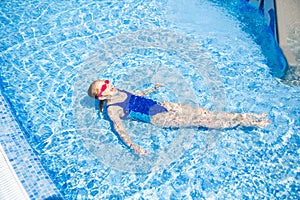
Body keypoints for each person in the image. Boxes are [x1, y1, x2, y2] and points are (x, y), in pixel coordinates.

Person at [88, 80, 270, 156]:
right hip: (159, 118)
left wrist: (152, 89)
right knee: (201, 121)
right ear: (101, 97)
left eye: (106, 81)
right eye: (104, 87)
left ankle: (243, 116)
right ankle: (241, 122)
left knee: (202, 112)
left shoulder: (119, 89)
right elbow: (120, 130)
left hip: (162, 104)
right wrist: (134, 147)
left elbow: (138, 94)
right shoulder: (112, 110)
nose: (108, 85)